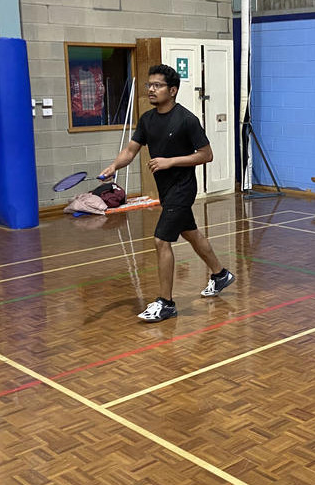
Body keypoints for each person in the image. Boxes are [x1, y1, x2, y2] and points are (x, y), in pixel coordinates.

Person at [99, 64, 234, 322]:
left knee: (161, 240)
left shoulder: (186, 120)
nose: (151, 89)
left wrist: (169, 161)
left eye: (157, 85)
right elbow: (130, 150)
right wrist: (115, 166)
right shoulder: (148, 120)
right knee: (190, 233)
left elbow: (206, 154)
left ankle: (166, 303)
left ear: (172, 90)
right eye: (149, 85)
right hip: (166, 188)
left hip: (183, 188)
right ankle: (220, 275)